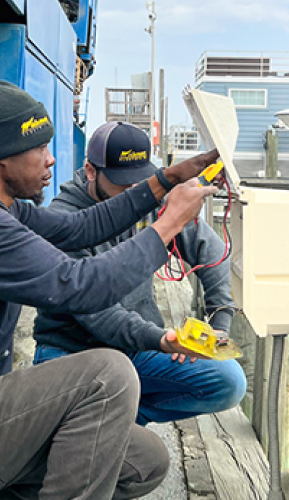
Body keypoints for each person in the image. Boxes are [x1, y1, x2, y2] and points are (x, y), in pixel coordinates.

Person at [0, 81, 221, 499]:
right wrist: (168, 225)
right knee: (108, 374)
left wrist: (166, 179)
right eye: (39, 149)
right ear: (1, 156)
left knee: (144, 460)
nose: (51, 159)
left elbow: (80, 227)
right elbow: (78, 287)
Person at [32, 121, 246, 425]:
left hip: (136, 346)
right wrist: (163, 339)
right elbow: (99, 314)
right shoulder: (62, 220)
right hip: (72, 350)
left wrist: (219, 323)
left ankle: (124, 421)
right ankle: (98, 421)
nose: (135, 192)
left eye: (140, 180)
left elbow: (211, 252)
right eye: (122, 183)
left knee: (229, 382)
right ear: (91, 171)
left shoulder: (152, 198)